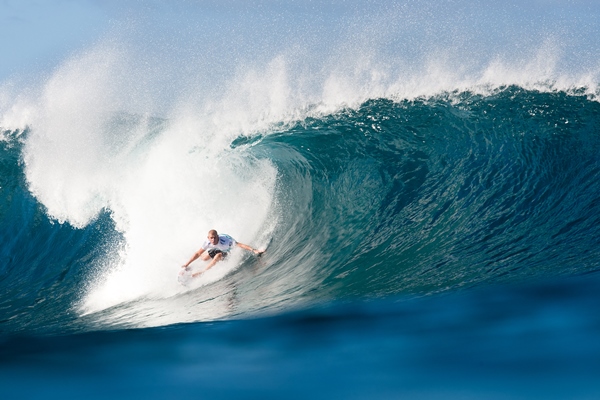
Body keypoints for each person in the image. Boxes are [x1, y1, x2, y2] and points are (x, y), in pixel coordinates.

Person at [182, 229, 264, 278]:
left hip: (226, 251)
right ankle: (190, 267)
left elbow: (240, 245)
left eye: (214, 238)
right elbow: (197, 253)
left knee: (219, 255)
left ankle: (203, 272)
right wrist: (186, 264)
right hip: (217, 249)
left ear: (217, 236)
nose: (213, 240)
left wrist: (254, 250)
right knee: (204, 258)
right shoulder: (208, 242)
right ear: (208, 238)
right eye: (211, 238)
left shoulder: (226, 241)